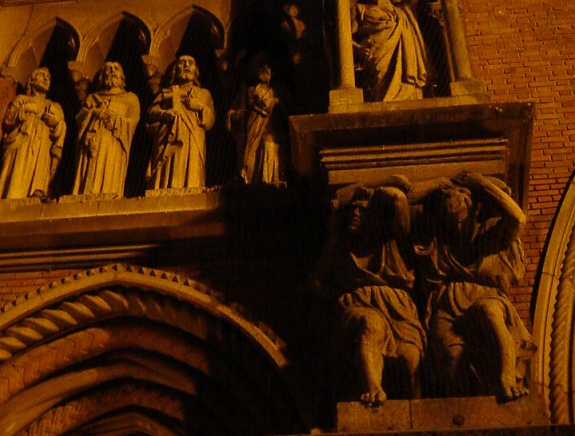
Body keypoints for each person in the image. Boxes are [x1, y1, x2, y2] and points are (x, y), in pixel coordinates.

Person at [416, 171, 534, 400]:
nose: (452, 201)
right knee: (450, 358)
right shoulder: (437, 238)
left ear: (472, 204)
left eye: (459, 196)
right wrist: (436, 182)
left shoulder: (491, 232)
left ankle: (507, 378)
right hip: (447, 300)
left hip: (484, 295)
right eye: (446, 199)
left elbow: (518, 218)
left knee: (490, 314)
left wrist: (479, 182)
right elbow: (403, 199)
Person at [314, 178, 425, 405]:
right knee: (371, 324)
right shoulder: (340, 245)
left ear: (375, 216)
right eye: (352, 209)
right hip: (357, 305)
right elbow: (316, 282)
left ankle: (419, 407)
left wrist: (377, 184)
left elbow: (398, 198)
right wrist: (338, 301)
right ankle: (373, 389)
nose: (354, 213)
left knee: (410, 358)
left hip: (398, 309)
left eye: (362, 210)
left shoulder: (393, 240)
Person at [351, 0, 428, 102]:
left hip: (405, 68)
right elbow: (344, 37)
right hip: (376, 59)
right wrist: (358, 50)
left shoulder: (402, 9)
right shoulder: (360, 9)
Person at [0, 67, 66, 200]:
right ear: (31, 80)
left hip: (42, 146)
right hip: (21, 141)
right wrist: (23, 111)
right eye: (42, 75)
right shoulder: (21, 99)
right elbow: (8, 121)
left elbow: (60, 131)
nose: (45, 79)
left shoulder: (54, 106)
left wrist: (56, 122)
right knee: (16, 172)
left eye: (48, 78)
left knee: (37, 177)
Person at [145, 55, 215, 190]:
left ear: (196, 71)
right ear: (175, 70)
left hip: (192, 137)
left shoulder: (203, 94)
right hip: (167, 137)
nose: (186, 66)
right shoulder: (167, 92)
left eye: (190, 63)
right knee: (167, 170)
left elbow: (210, 120)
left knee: (191, 169)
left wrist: (199, 107)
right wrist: (164, 113)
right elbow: (151, 112)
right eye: (182, 63)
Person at [72, 61, 140, 196]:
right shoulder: (92, 98)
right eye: (108, 70)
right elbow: (80, 118)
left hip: (114, 141)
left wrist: (113, 118)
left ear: (122, 76)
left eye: (116, 69)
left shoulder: (130, 98)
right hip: (93, 140)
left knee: (109, 168)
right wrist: (94, 113)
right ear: (102, 77)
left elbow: (132, 122)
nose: (112, 71)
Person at [226, 55, 287, 186]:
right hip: (250, 130)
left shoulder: (275, 91)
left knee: (268, 145)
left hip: (268, 127)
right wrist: (235, 114)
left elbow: (281, 107)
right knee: (249, 157)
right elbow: (233, 110)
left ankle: (268, 180)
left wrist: (276, 102)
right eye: (261, 68)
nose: (265, 72)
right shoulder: (246, 90)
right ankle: (250, 180)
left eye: (267, 69)